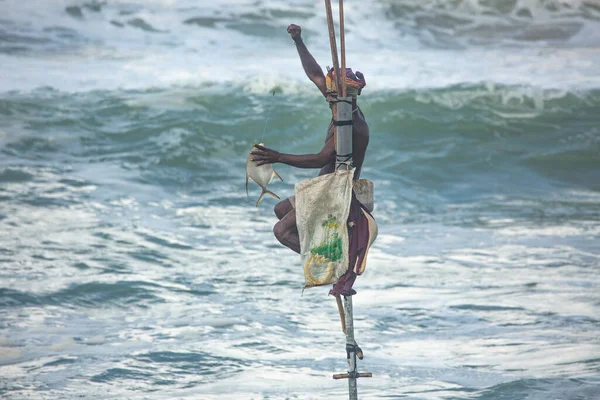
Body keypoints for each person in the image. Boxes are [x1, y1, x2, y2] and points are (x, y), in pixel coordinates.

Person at [251, 24, 374, 295]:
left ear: (348, 96)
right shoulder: (338, 103)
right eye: (329, 92)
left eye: (333, 93)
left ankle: (333, 265)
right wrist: (298, 41)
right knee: (281, 209)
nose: (327, 95)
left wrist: (278, 157)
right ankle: (326, 248)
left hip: (336, 191)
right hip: (324, 184)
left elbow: (322, 159)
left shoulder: (351, 124)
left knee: (282, 231)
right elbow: (316, 74)